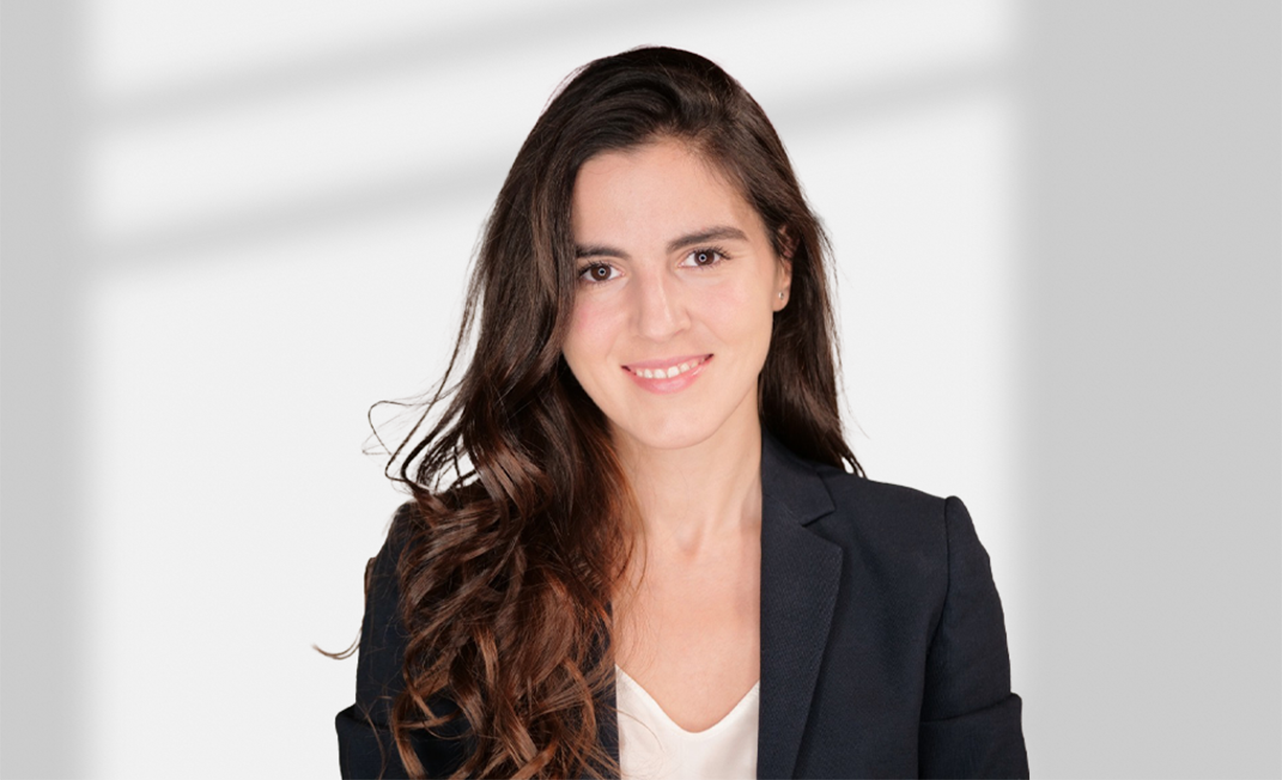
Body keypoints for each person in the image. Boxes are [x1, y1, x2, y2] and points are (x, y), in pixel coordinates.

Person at [335, 47, 1028, 780]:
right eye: (599, 271)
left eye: (702, 257)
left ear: (783, 266)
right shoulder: (442, 575)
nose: (657, 319)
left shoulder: (922, 567)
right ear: (546, 296)